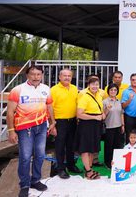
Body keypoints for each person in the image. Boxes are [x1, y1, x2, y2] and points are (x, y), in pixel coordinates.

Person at [7, 66, 57, 197]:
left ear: (41, 75)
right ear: (27, 75)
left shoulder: (46, 89)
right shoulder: (17, 90)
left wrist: (53, 123)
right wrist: (11, 131)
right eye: (33, 74)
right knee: (25, 157)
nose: (36, 77)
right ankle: (24, 184)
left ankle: (35, 180)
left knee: (40, 155)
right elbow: (10, 112)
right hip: (24, 128)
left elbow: (49, 106)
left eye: (38, 74)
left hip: (41, 126)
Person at [50, 69, 81, 180]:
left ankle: (71, 165)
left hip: (72, 121)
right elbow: (49, 108)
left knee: (71, 145)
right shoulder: (53, 90)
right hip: (60, 122)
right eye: (65, 76)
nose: (67, 78)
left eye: (69, 76)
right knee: (60, 146)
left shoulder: (74, 88)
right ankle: (61, 169)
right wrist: (52, 124)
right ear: (59, 77)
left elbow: (77, 104)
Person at [75, 77, 105, 180]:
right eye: (93, 84)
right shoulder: (84, 96)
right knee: (85, 149)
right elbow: (79, 114)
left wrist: (103, 114)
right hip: (86, 125)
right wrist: (94, 117)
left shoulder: (99, 95)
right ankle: (88, 171)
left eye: (97, 84)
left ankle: (90, 168)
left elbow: (99, 110)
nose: (95, 86)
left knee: (92, 148)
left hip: (96, 125)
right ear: (88, 85)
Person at [103, 83, 125, 169]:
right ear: (108, 91)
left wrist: (122, 125)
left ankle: (116, 161)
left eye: (115, 90)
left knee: (117, 145)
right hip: (109, 127)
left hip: (118, 126)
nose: (113, 91)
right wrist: (107, 109)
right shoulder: (105, 101)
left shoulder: (119, 101)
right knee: (109, 146)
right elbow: (103, 116)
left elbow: (121, 114)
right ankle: (108, 162)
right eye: (111, 90)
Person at [121, 73, 136, 143]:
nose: (135, 81)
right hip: (129, 117)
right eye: (133, 80)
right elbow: (123, 106)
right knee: (129, 136)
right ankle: (129, 152)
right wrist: (129, 100)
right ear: (130, 80)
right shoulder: (126, 91)